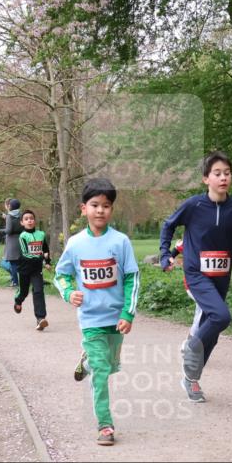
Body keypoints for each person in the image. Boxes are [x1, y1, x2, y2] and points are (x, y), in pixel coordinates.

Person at [159, 151, 232, 402]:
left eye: (227, 173)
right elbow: (168, 225)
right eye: (217, 173)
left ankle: (191, 379)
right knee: (221, 316)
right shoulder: (194, 205)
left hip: (221, 276)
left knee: (211, 331)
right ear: (205, 179)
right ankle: (192, 345)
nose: (223, 178)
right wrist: (165, 254)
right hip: (196, 274)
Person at [55, 178, 139, 446]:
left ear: (111, 209)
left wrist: (127, 313)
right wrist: (69, 292)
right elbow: (60, 275)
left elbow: (132, 278)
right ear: (84, 209)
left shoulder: (121, 242)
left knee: (110, 365)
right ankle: (105, 425)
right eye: (94, 205)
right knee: (102, 372)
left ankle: (88, 361)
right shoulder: (76, 244)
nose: (100, 210)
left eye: (106, 205)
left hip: (116, 319)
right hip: (90, 319)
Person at [13, 209, 52, 330]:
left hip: (36, 269)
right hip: (24, 268)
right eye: (26, 219)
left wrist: (47, 261)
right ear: (22, 223)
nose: (29, 220)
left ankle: (40, 318)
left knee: (38, 291)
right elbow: (26, 254)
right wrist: (41, 257)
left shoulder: (41, 234)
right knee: (24, 292)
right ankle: (18, 301)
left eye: (31, 218)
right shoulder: (22, 236)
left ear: (34, 221)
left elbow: (45, 249)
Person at [0, 198, 23, 288]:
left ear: (10, 206)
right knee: (19, 262)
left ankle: (15, 282)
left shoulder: (9, 216)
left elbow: (8, 230)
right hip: (20, 239)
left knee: (13, 263)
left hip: (12, 241)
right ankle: (22, 281)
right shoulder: (21, 214)